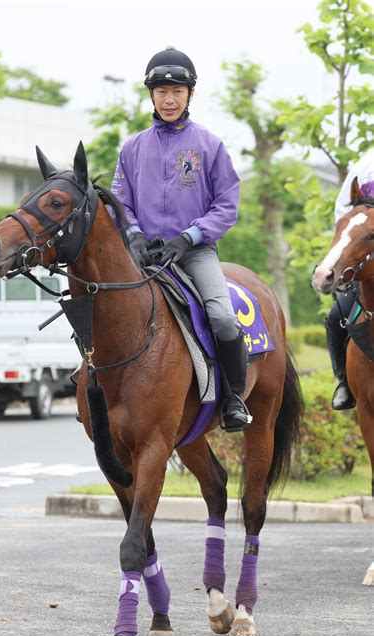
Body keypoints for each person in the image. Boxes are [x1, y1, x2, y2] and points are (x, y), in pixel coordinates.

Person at [111, 47, 252, 432]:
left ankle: (234, 399)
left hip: (194, 252)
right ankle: (95, 391)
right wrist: (135, 236)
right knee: (102, 306)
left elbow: (227, 204)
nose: (168, 99)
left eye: (176, 91)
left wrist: (190, 237)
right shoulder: (132, 148)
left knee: (222, 317)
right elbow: (119, 202)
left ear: (190, 93)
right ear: (151, 95)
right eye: (161, 91)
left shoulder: (209, 145)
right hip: (144, 254)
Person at [325, 148, 374, 410]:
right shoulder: (364, 166)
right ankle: (344, 382)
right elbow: (343, 211)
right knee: (336, 317)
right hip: (367, 256)